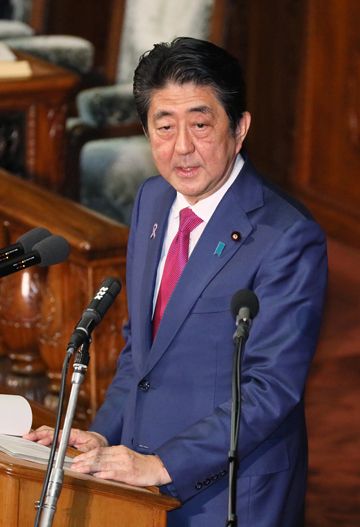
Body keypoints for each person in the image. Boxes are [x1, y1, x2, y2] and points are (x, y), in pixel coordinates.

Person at [26, 37, 328, 526]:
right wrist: (105, 435)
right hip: (138, 486)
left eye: (201, 124)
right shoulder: (151, 200)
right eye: (164, 126)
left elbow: (270, 388)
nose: (181, 147)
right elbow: (139, 350)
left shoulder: (287, 236)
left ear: (241, 127)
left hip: (230, 492)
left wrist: (162, 465)